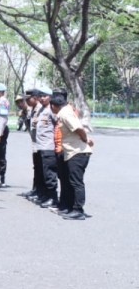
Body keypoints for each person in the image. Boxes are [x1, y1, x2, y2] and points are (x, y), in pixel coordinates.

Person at [51, 91, 93, 220]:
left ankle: (78, 210)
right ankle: (72, 208)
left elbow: (79, 128)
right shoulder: (66, 111)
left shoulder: (64, 113)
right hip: (73, 152)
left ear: (53, 105)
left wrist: (85, 139)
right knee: (72, 181)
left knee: (76, 182)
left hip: (77, 152)